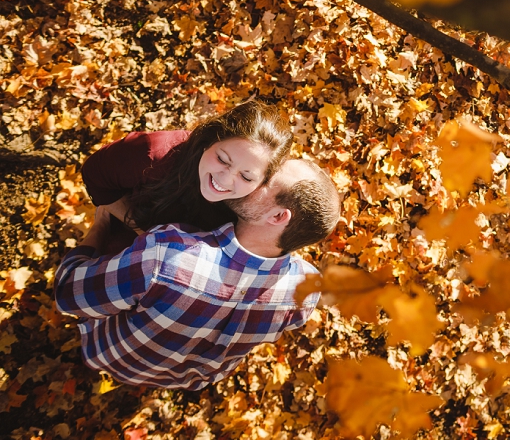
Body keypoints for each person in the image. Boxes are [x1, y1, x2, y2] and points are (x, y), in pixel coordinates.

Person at [54, 158, 340, 390]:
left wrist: (99, 226)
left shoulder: (168, 255)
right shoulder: (307, 290)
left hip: (109, 356)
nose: (255, 172)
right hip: (187, 380)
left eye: (266, 179)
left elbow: (67, 293)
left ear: (278, 218)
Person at [82, 100, 293, 253]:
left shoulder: (259, 205)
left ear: (263, 181)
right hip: (133, 232)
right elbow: (95, 174)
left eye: (246, 177)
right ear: (209, 140)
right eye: (222, 159)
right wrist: (142, 230)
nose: (225, 179)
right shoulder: (153, 153)